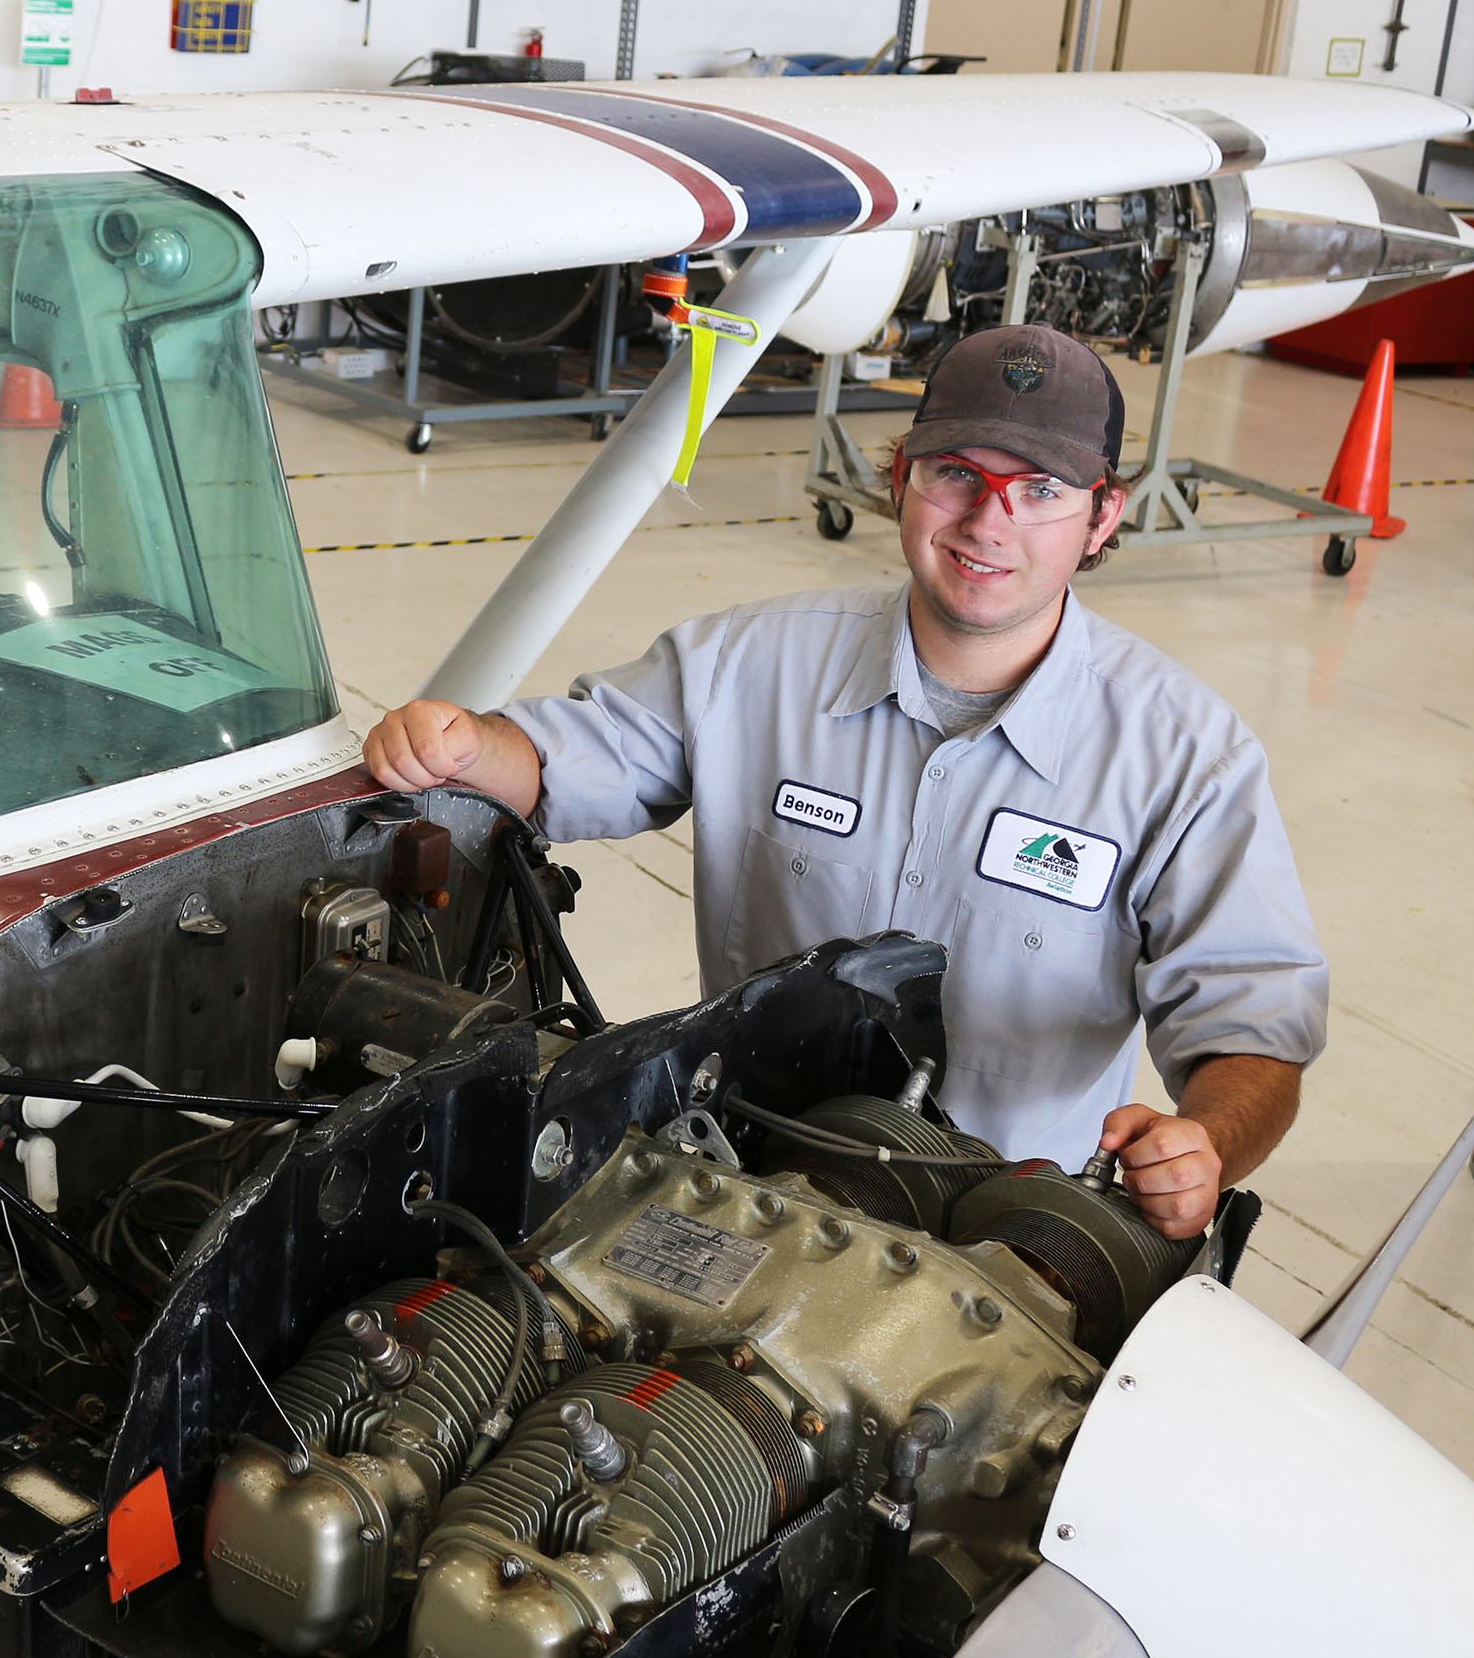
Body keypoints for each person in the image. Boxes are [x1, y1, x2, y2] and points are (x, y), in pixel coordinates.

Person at [362, 325, 1323, 1239]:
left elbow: (1254, 1024)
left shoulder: (1184, 753)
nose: (991, 522)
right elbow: (564, 763)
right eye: (958, 475)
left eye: (1040, 491)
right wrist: (461, 744)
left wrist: (1207, 1145)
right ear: (901, 478)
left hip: (1006, 1236)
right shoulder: (748, 663)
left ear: (1103, 515)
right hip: (742, 1184)